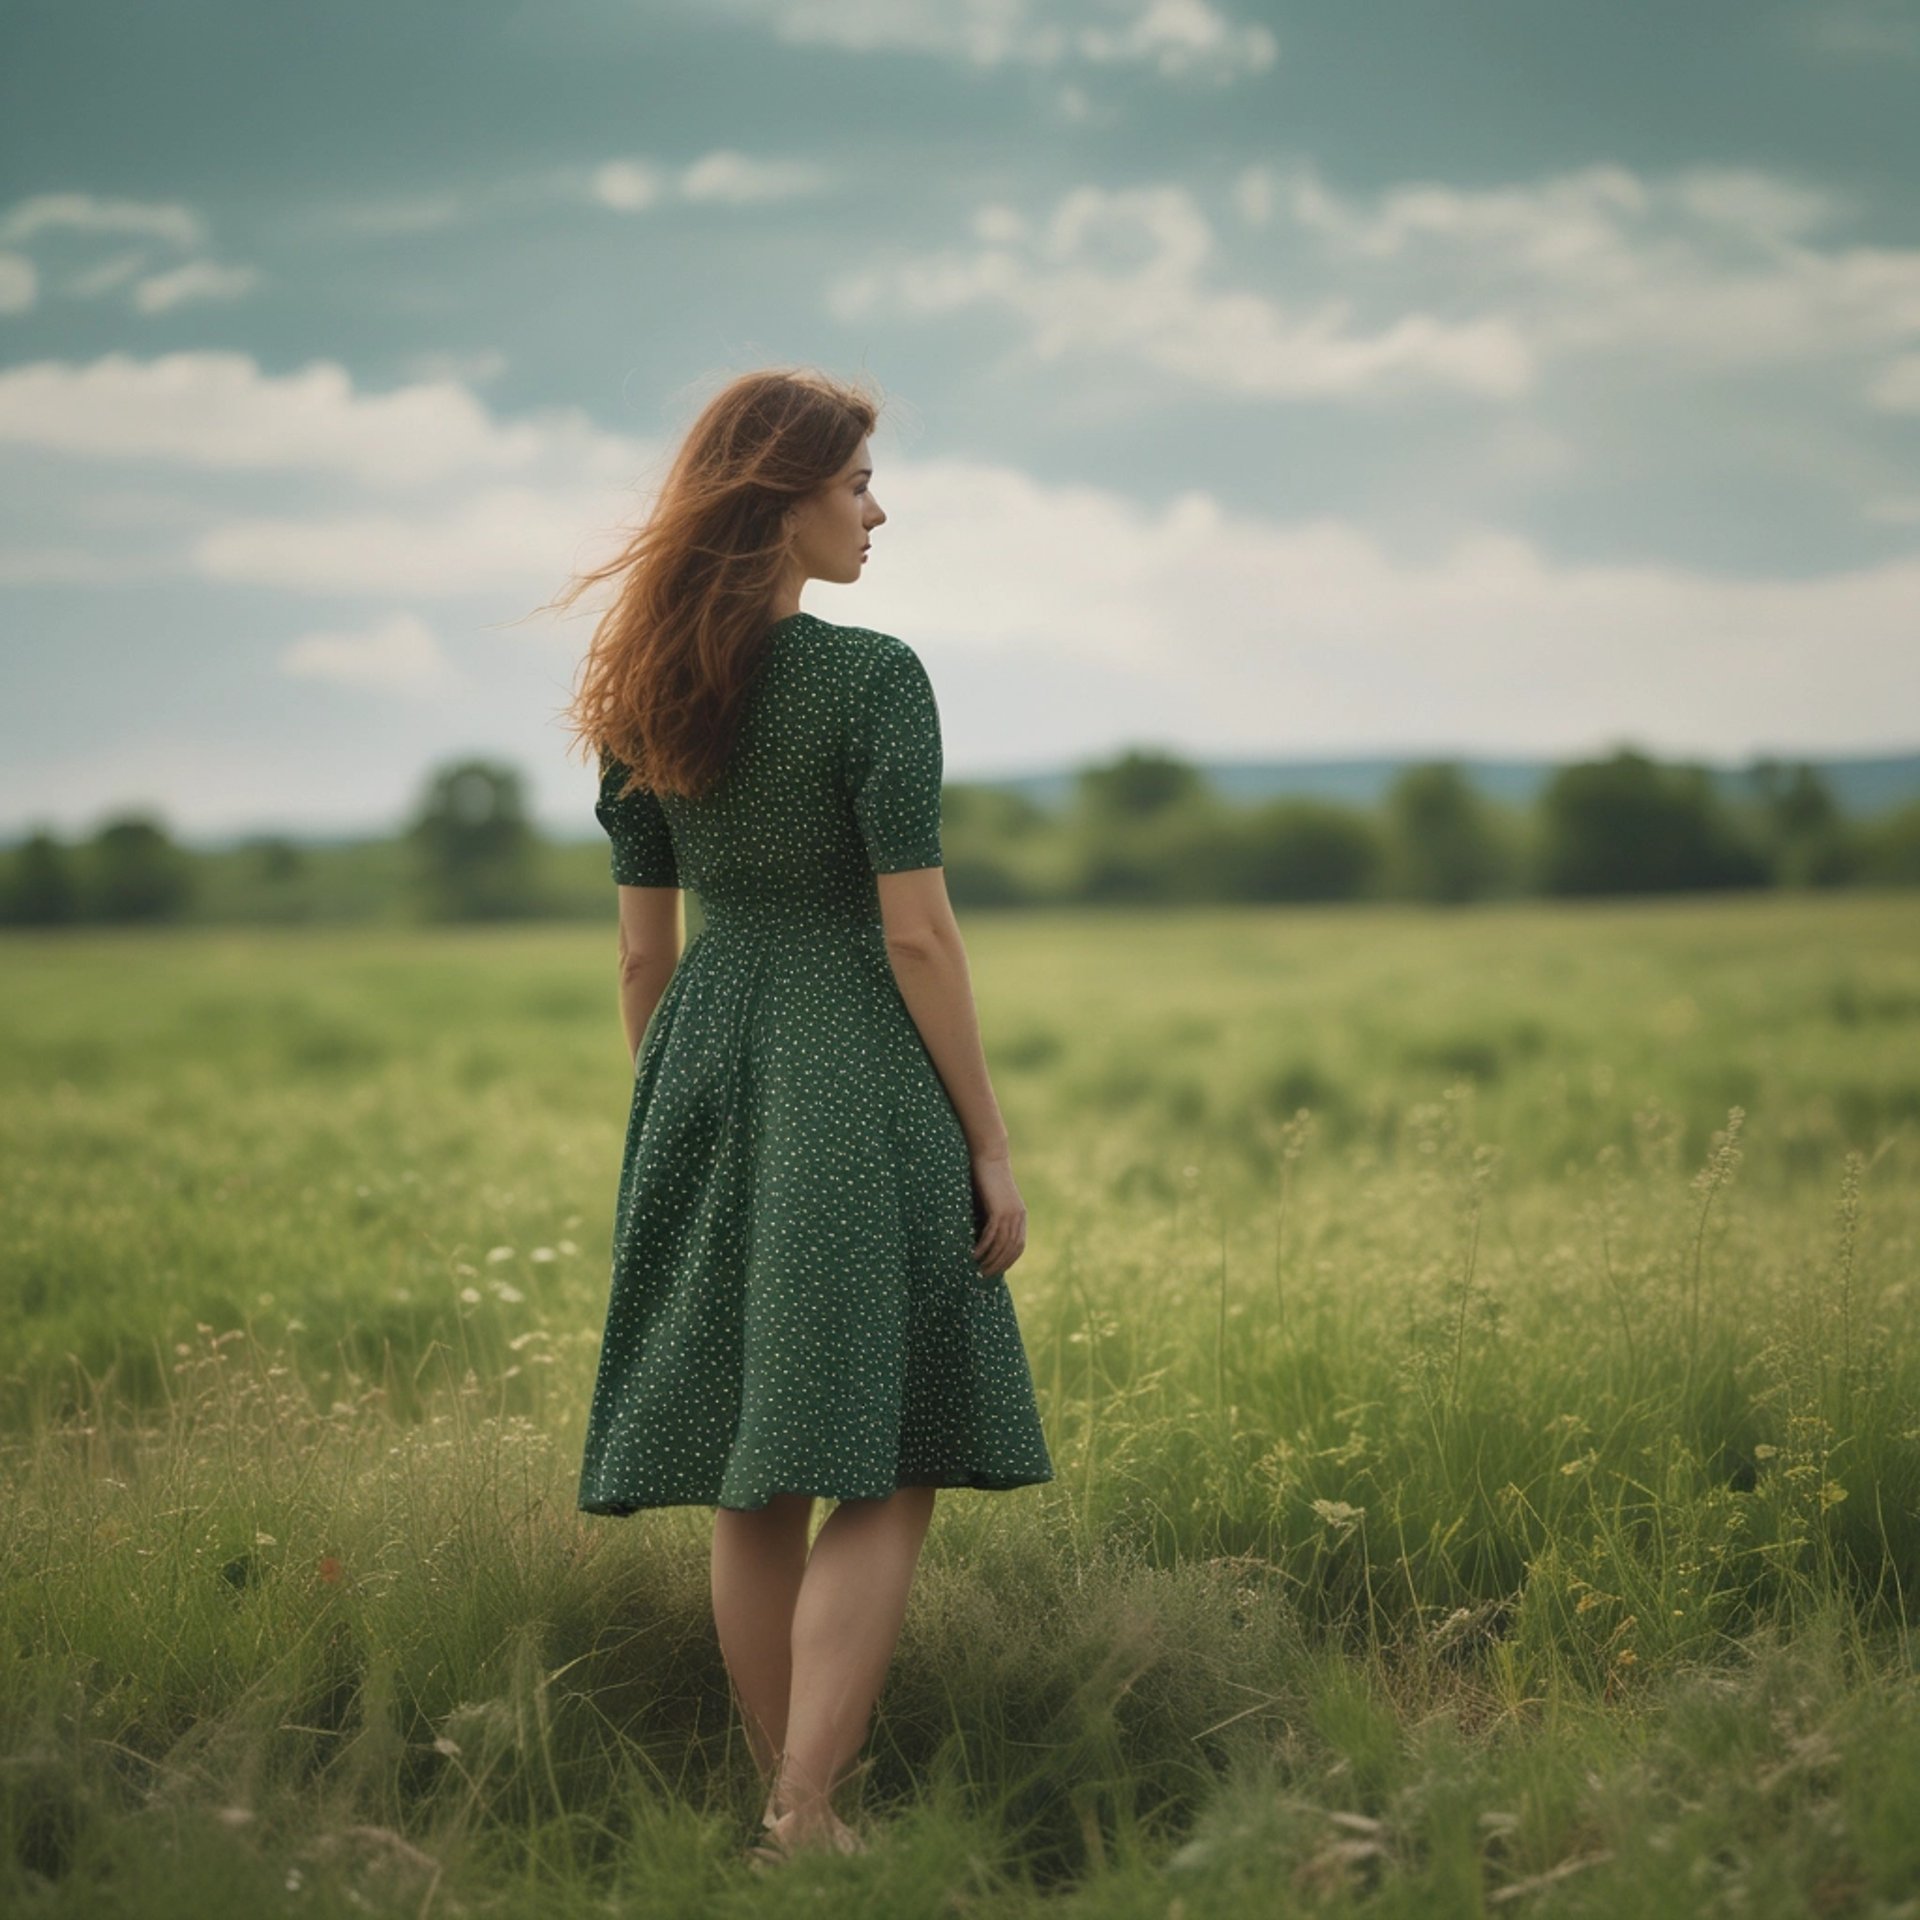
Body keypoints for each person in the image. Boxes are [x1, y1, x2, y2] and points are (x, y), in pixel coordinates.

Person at [555, 368, 1054, 1861]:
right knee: (895, 1450)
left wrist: (679, 1106)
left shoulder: (640, 686)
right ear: (780, 500)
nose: (876, 512)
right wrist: (987, 1139)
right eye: (855, 488)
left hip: (704, 1062)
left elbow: (645, 952)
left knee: (753, 1463)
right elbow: (918, 934)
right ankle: (806, 1812)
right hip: (855, 1066)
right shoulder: (872, 678)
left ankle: (794, 1818)